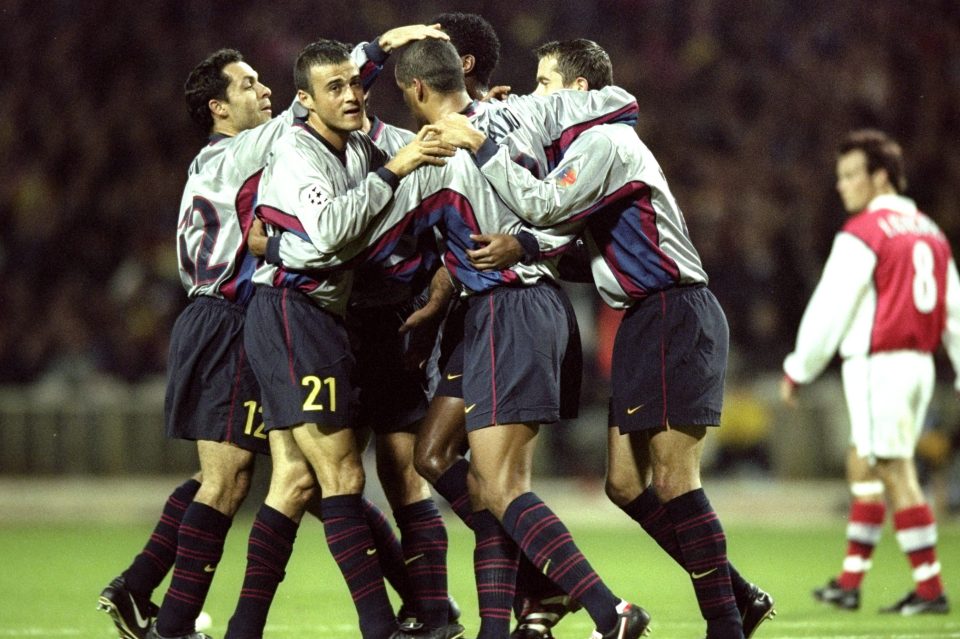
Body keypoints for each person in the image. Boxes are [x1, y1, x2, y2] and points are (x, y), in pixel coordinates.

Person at [433, 37, 773, 639]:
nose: (538, 95)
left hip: (674, 308)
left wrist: (484, 146)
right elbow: (561, 235)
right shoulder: (586, 146)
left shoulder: (605, 142)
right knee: (623, 484)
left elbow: (540, 205)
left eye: (547, 83)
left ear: (580, 89)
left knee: (674, 480)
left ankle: (725, 621)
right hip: (644, 317)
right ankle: (737, 591)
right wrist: (523, 245)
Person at [391, 38, 651, 639]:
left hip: (509, 306)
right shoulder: (524, 116)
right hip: (498, 309)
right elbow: (614, 104)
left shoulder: (437, 152)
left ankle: (607, 608)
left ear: (416, 90)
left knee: (500, 485)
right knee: (440, 457)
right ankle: (515, 611)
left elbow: (390, 240)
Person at [243, 38, 455, 639]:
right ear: (304, 101)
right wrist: (397, 169)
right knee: (342, 476)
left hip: (322, 316)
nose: (351, 93)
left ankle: (241, 627)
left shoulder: (360, 142)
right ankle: (381, 626)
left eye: (355, 83)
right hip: (293, 313)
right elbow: (333, 231)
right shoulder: (299, 154)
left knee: (296, 481)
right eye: (333, 88)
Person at [781, 128, 954, 615]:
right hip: (916, 364)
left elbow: (830, 307)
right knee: (864, 461)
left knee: (896, 470)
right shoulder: (931, 231)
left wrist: (799, 366)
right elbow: (954, 308)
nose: (842, 185)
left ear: (881, 177)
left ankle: (929, 588)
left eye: (851, 174)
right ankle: (851, 580)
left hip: (882, 364)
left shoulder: (865, 233)